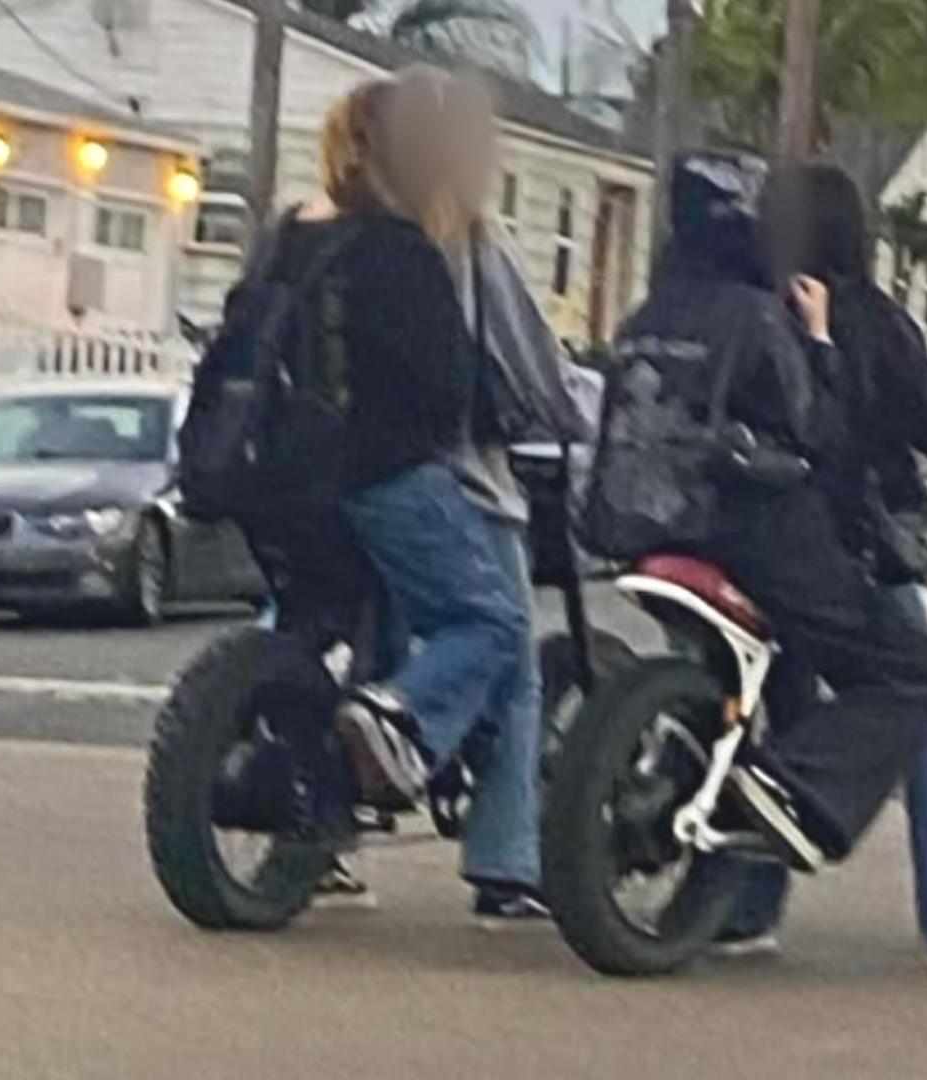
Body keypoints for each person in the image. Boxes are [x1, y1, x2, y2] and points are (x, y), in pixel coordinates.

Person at [713, 164, 927, 975]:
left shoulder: (749, 310)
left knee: (783, 711)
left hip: (753, 544)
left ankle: (746, 909)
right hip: (860, 544)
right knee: (922, 700)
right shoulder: (867, 320)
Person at [597, 152, 927, 897]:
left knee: (770, 678)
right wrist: (820, 341)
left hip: (650, 529)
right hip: (753, 533)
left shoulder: (644, 317)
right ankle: (789, 784)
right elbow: (819, 428)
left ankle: (737, 898)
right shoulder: (756, 316)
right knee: (914, 672)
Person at [319, 66, 593, 919]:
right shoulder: (467, 240)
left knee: (348, 645)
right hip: (462, 480)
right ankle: (505, 862)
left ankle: (320, 832)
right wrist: (592, 421)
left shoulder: (326, 233)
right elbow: (534, 371)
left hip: (329, 472)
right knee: (506, 657)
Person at [270, 78, 544, 925]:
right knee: (501, 640)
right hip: (433, 475)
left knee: (331, 639)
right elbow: (480, 378)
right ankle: (504, 860)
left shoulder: (296, 236)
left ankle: (311, 834)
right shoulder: (439, 244)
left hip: (291, 478)